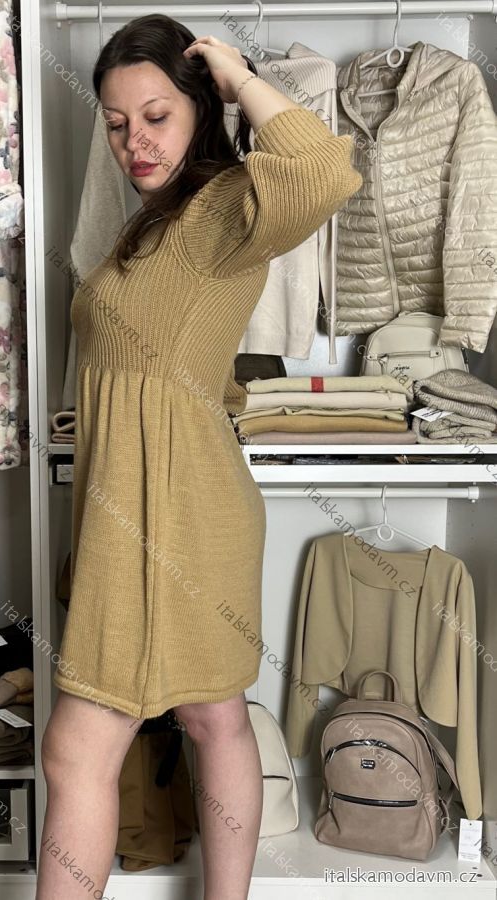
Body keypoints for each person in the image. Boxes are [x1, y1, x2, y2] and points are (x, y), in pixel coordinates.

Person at [36, 14, 362, 900]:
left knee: (85, 745)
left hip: (176, 515)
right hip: (144, 509)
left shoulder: (224, 206)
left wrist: (235, 76)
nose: (133, 141)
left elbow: (325, 171)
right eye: (115, 123)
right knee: (214, 718)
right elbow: (185, 369)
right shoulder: (151, 224)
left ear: (200, 109)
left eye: (156, 116)